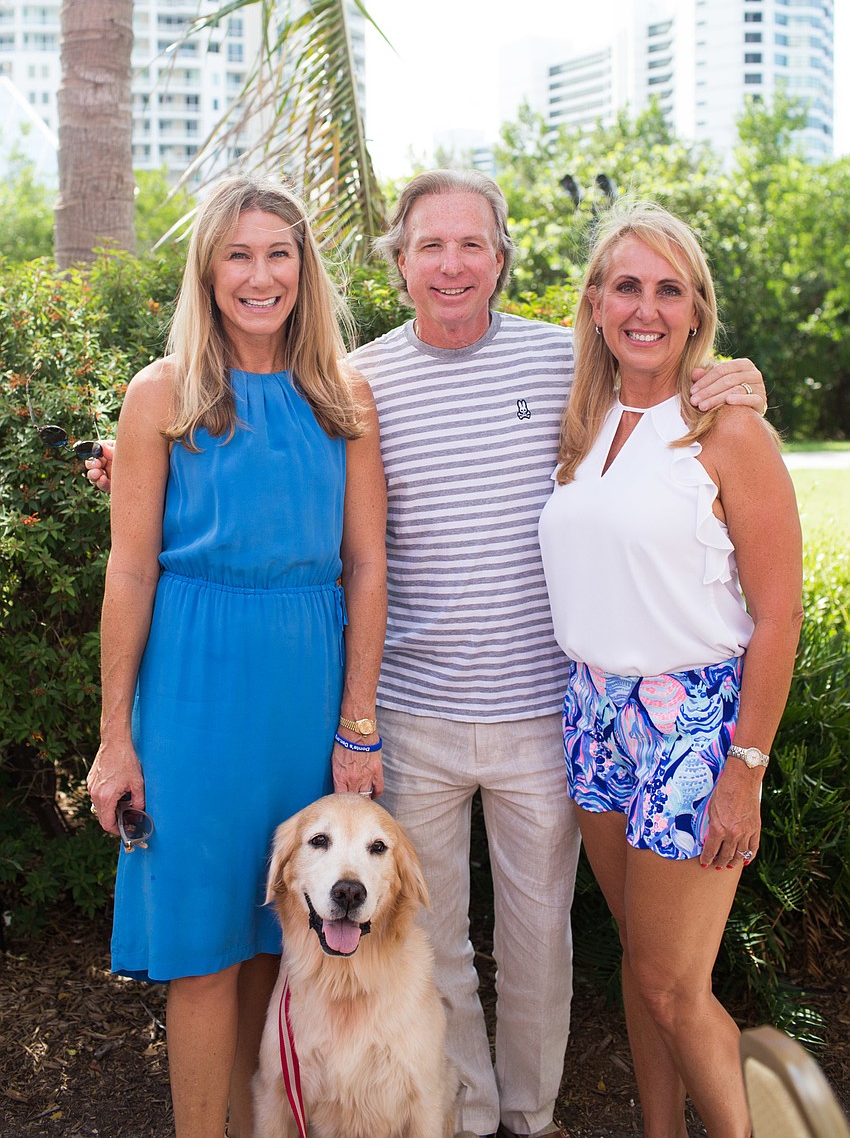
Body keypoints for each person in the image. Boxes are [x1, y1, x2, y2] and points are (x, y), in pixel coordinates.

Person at [88, 170, 766, 1138]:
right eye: (429, 246)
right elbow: (206, 520)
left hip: (534, 709)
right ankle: (460, 1115)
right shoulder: (358, 378)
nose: (451, 264)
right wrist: (131, 467)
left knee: (538, 941)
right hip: (400, 709)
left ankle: (525, 1117)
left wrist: (738, 378)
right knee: (418, 942)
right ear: (399, 263)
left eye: (472, 244)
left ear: (500, 260)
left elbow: (661, 375)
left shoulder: (543, 363)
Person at [86, 174, 387, 1138]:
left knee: (283, 940)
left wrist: (357, 722)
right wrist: (113, 738)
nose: (261, 277)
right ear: (208, 272)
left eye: (280, 254)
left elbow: (369, 565)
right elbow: (130, 572)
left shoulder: (345, 395)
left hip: (306, 697)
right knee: (205, 947)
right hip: (192, 697)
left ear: (305, 268)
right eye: (238, 256)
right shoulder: (162, 395)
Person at [537, 202, 802, 1138]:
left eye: (668, 289)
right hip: (594, 712)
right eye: (626, 286)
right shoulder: (584, 419)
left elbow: (779, 615)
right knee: (640, 964)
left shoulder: (726, 428)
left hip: (694, 721)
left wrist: (746, 767)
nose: (645, 308)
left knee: (672, 984)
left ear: (696, 310)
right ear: (596, 304)